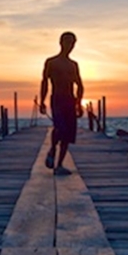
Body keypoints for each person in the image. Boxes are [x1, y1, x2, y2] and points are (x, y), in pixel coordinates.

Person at [39, 31, 84, 175]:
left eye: (72, 43)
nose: (69, 46)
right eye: (67, 42)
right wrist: (42, 101)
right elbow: (44, 82)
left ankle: (59, 165)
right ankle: (52, 150)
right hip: (57, 99)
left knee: (68, 135)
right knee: (59, 128)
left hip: (70, 101)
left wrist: (78, 103)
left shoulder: (73, 65)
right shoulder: (51, 62)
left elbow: (80, 85)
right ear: (61, 42)